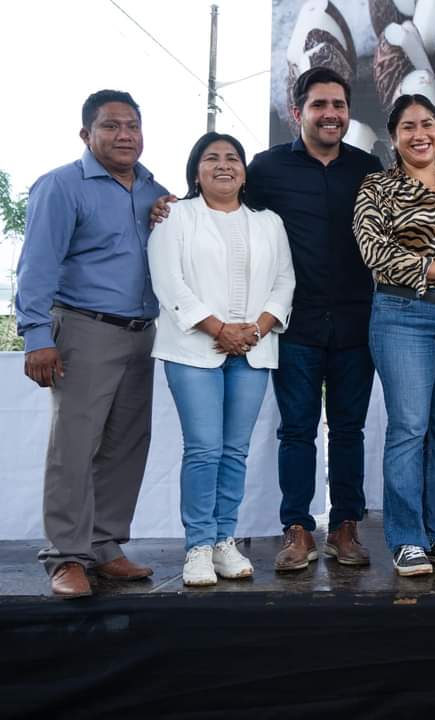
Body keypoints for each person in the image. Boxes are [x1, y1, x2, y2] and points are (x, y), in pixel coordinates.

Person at [16, 90, 166, 598]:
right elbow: (37, 265)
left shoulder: (154, 191)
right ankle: (65, 555)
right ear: (87, 134)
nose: (125, 135)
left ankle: (104, 546)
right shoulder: (61, 186)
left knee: (127, 444)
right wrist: (37, 336)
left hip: (142, 335)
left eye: (132, 126)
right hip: (84, 330)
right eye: (111, 126)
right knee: (74, 448)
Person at [245, 67, 383, 571]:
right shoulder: (266, 168)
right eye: (320, 104)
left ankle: (345, 526)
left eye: (339, 105)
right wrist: (170, 207)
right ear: (296, 112)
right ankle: (298, 528)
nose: (331, 114)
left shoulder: (368, 168)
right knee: (297, 429)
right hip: (294, 323)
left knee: (349, 429)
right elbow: (226, 209)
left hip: (355, 321)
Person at [148, 132, 295, 586]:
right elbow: (168, 282)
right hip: (193, 350)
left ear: (245, 173)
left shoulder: (269, 222)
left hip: (253, 349)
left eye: (232, 158)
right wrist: (219, 329)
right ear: (197, 171)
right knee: (204, 449)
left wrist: (256, 329)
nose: (223, 165)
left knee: (234, 451)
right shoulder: (175, 216)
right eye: (211, 158)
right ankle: (197, 546)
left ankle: (223, 542)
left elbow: (285, 281)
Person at [354, 93, 435, 577]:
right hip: (403, 315)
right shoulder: (377, 186)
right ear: (394, 138)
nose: (419, 134)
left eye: (427, 124)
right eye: (408, 127)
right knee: (410, 428)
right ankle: (406, 538)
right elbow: (374, 250)